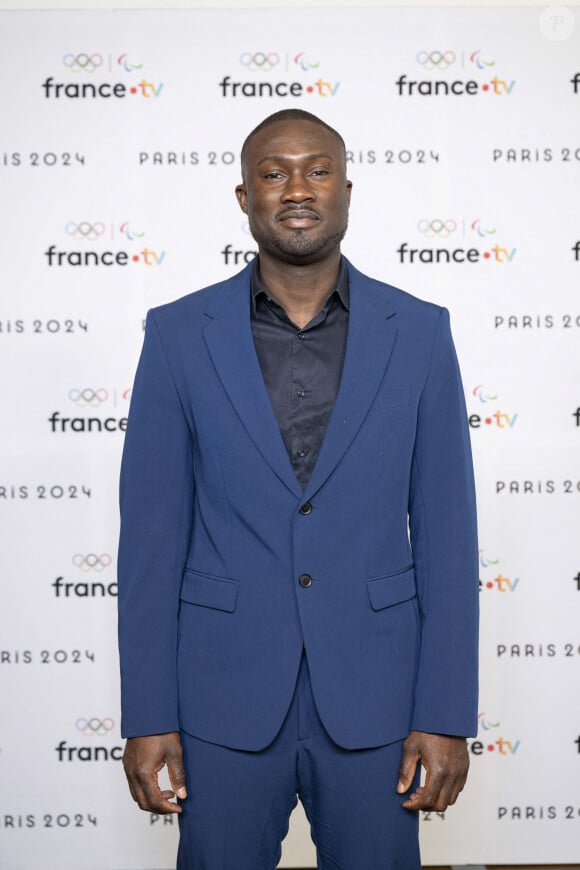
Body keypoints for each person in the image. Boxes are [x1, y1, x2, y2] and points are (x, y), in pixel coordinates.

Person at [117, 108, 479, 869]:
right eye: (273, 172)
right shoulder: (179, 335)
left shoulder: (420, 332)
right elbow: (151, 542)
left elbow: (448, 538)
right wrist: (148, 715)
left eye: (316, 170)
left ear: (347, 190)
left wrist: (444, 714)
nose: (296, 189)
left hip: (378, 700)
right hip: (221, 700)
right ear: (243, 197)